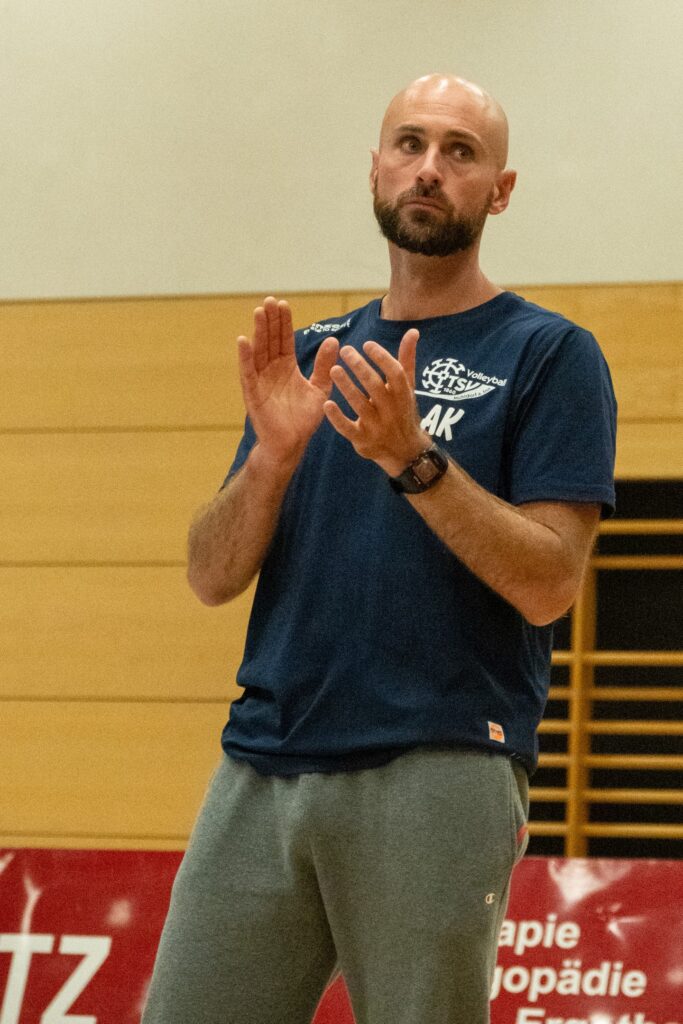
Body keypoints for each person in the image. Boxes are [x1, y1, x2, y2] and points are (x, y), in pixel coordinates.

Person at [142, 74, 616, 1024]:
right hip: (262, 761)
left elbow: (549, 584)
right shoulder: (313, 352)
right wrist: (272, 458)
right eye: (409, 143)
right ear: (374, 168)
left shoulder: (548, 354)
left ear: (500, 189)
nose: (429, 169)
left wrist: (413, 458)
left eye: (459, 151)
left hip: (437, 764)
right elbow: (209, 573)